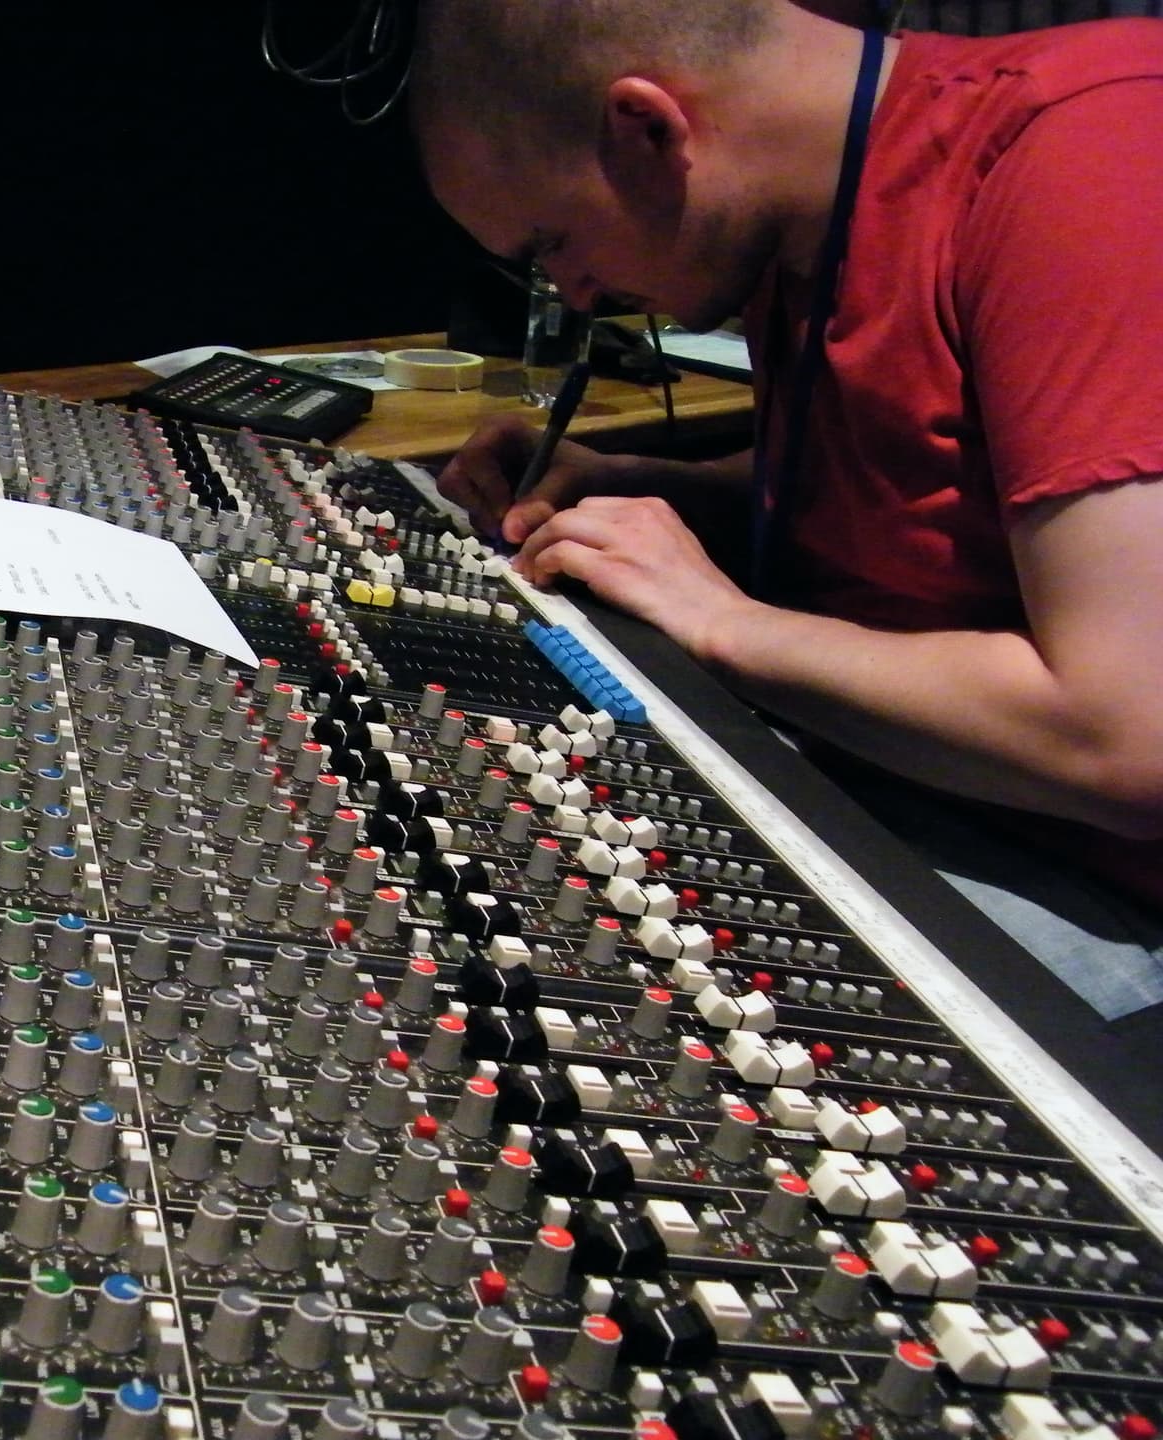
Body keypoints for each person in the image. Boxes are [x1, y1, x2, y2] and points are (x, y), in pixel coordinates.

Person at [410, 0, 1163, 1018]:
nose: (574, 295)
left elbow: (1128, 739)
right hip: (891, 789)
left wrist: (722, 623)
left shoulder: (1086, 155)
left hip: (1093, 887)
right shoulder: (799, 223)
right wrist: (639, 487)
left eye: (555, 243)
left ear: (650, 130)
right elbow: (929, 498)